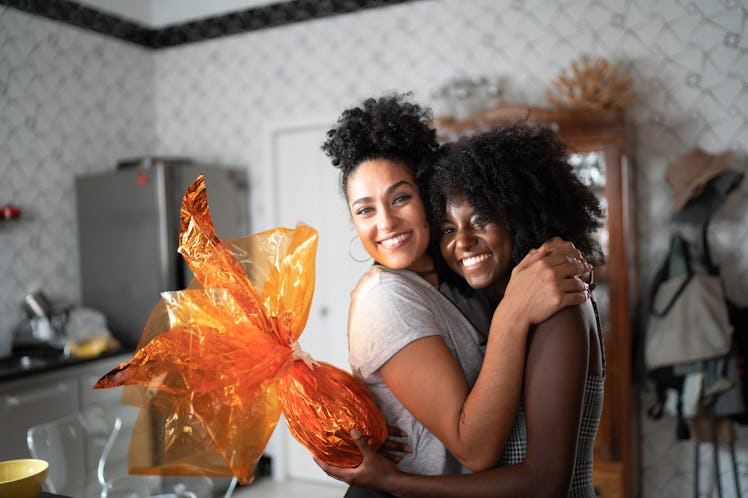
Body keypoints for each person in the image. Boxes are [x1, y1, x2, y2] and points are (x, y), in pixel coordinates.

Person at [319, 93, 592, 495]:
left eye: (400, 198)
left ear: (426, 197)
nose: (387, 222)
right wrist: (512, 316)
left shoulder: (460, 283)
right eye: (365, 210)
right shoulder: (386, 297)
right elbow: (475, 450)